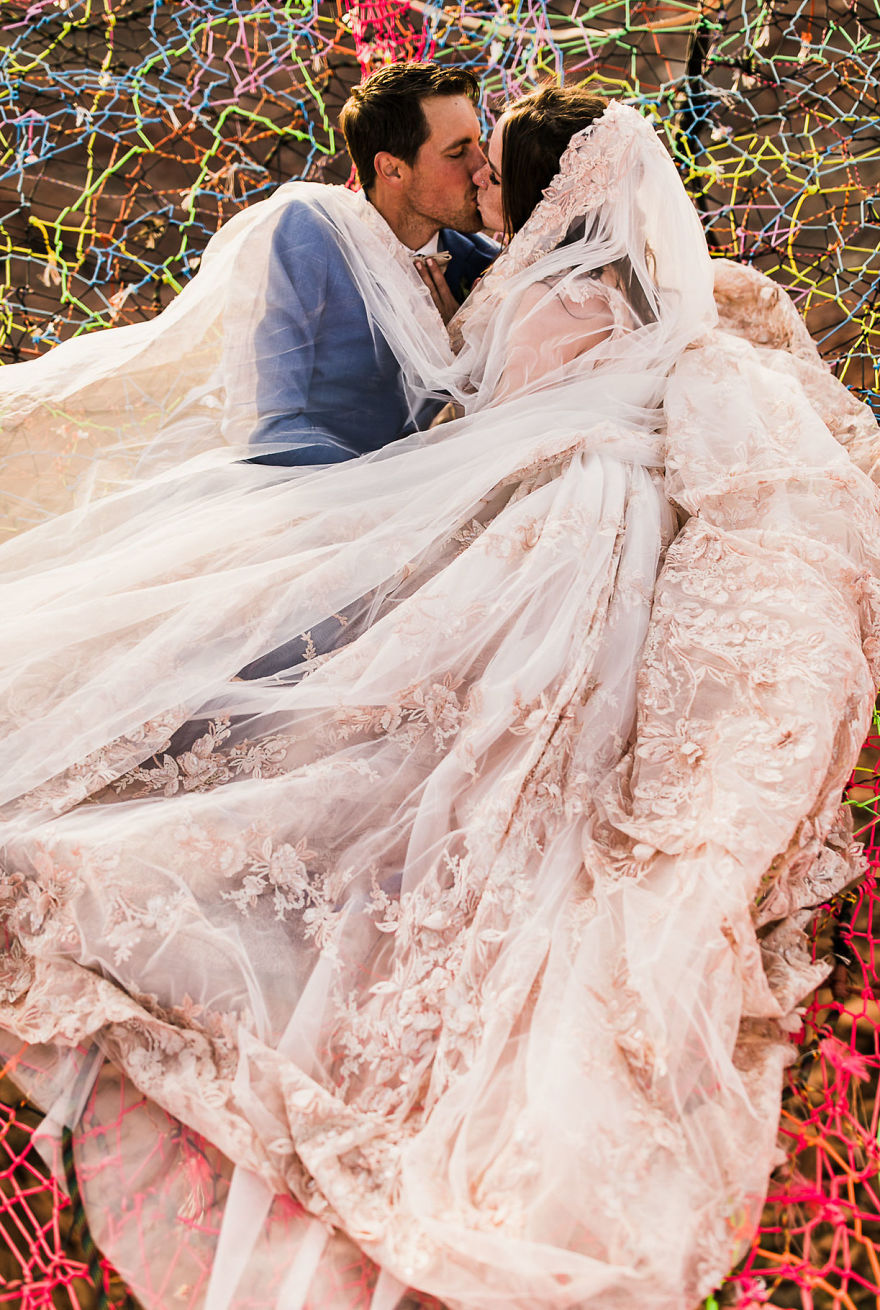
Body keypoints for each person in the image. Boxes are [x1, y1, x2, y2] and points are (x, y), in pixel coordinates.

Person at [1, 84, 879, 1310]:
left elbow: (499, 404)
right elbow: (310, 414)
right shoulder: (522, 266)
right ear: (391, 164)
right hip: (491, 508)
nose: (476, 181)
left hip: (543, 513)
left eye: (488, 161)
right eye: (459, 155)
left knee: (468, 714)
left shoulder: (510, 274)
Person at [249, 61, 498, 466]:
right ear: (392, 169)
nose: (481, 169)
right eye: (458, 152)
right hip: (300, 483)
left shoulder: (485, 266)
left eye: (479, 144)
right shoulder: (313, 232)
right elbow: (273, 424)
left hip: (416, 489)